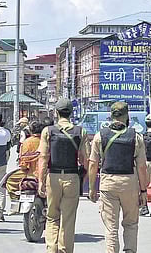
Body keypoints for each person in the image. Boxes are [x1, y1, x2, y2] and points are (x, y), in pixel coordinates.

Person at [88, 102, 148, 253]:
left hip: (108, 183)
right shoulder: (136, 137)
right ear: (126, 115)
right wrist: (143, 190)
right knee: (131, 224)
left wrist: (91, 188)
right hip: (129, 183)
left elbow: (93, 164)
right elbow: (141, 167)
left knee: (111, 227)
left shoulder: (99, 136)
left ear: (111, 115)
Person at [37, 99, 89, 253]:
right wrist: (83, 179)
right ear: (71, 113)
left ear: (57, 112)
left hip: (53, 176)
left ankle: (52, 249)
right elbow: (85, 160)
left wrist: (41, 181)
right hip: (72, 177)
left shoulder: (48, 131)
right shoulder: (81, 132)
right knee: (68, 218)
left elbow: (43, 158)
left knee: (52, 216)